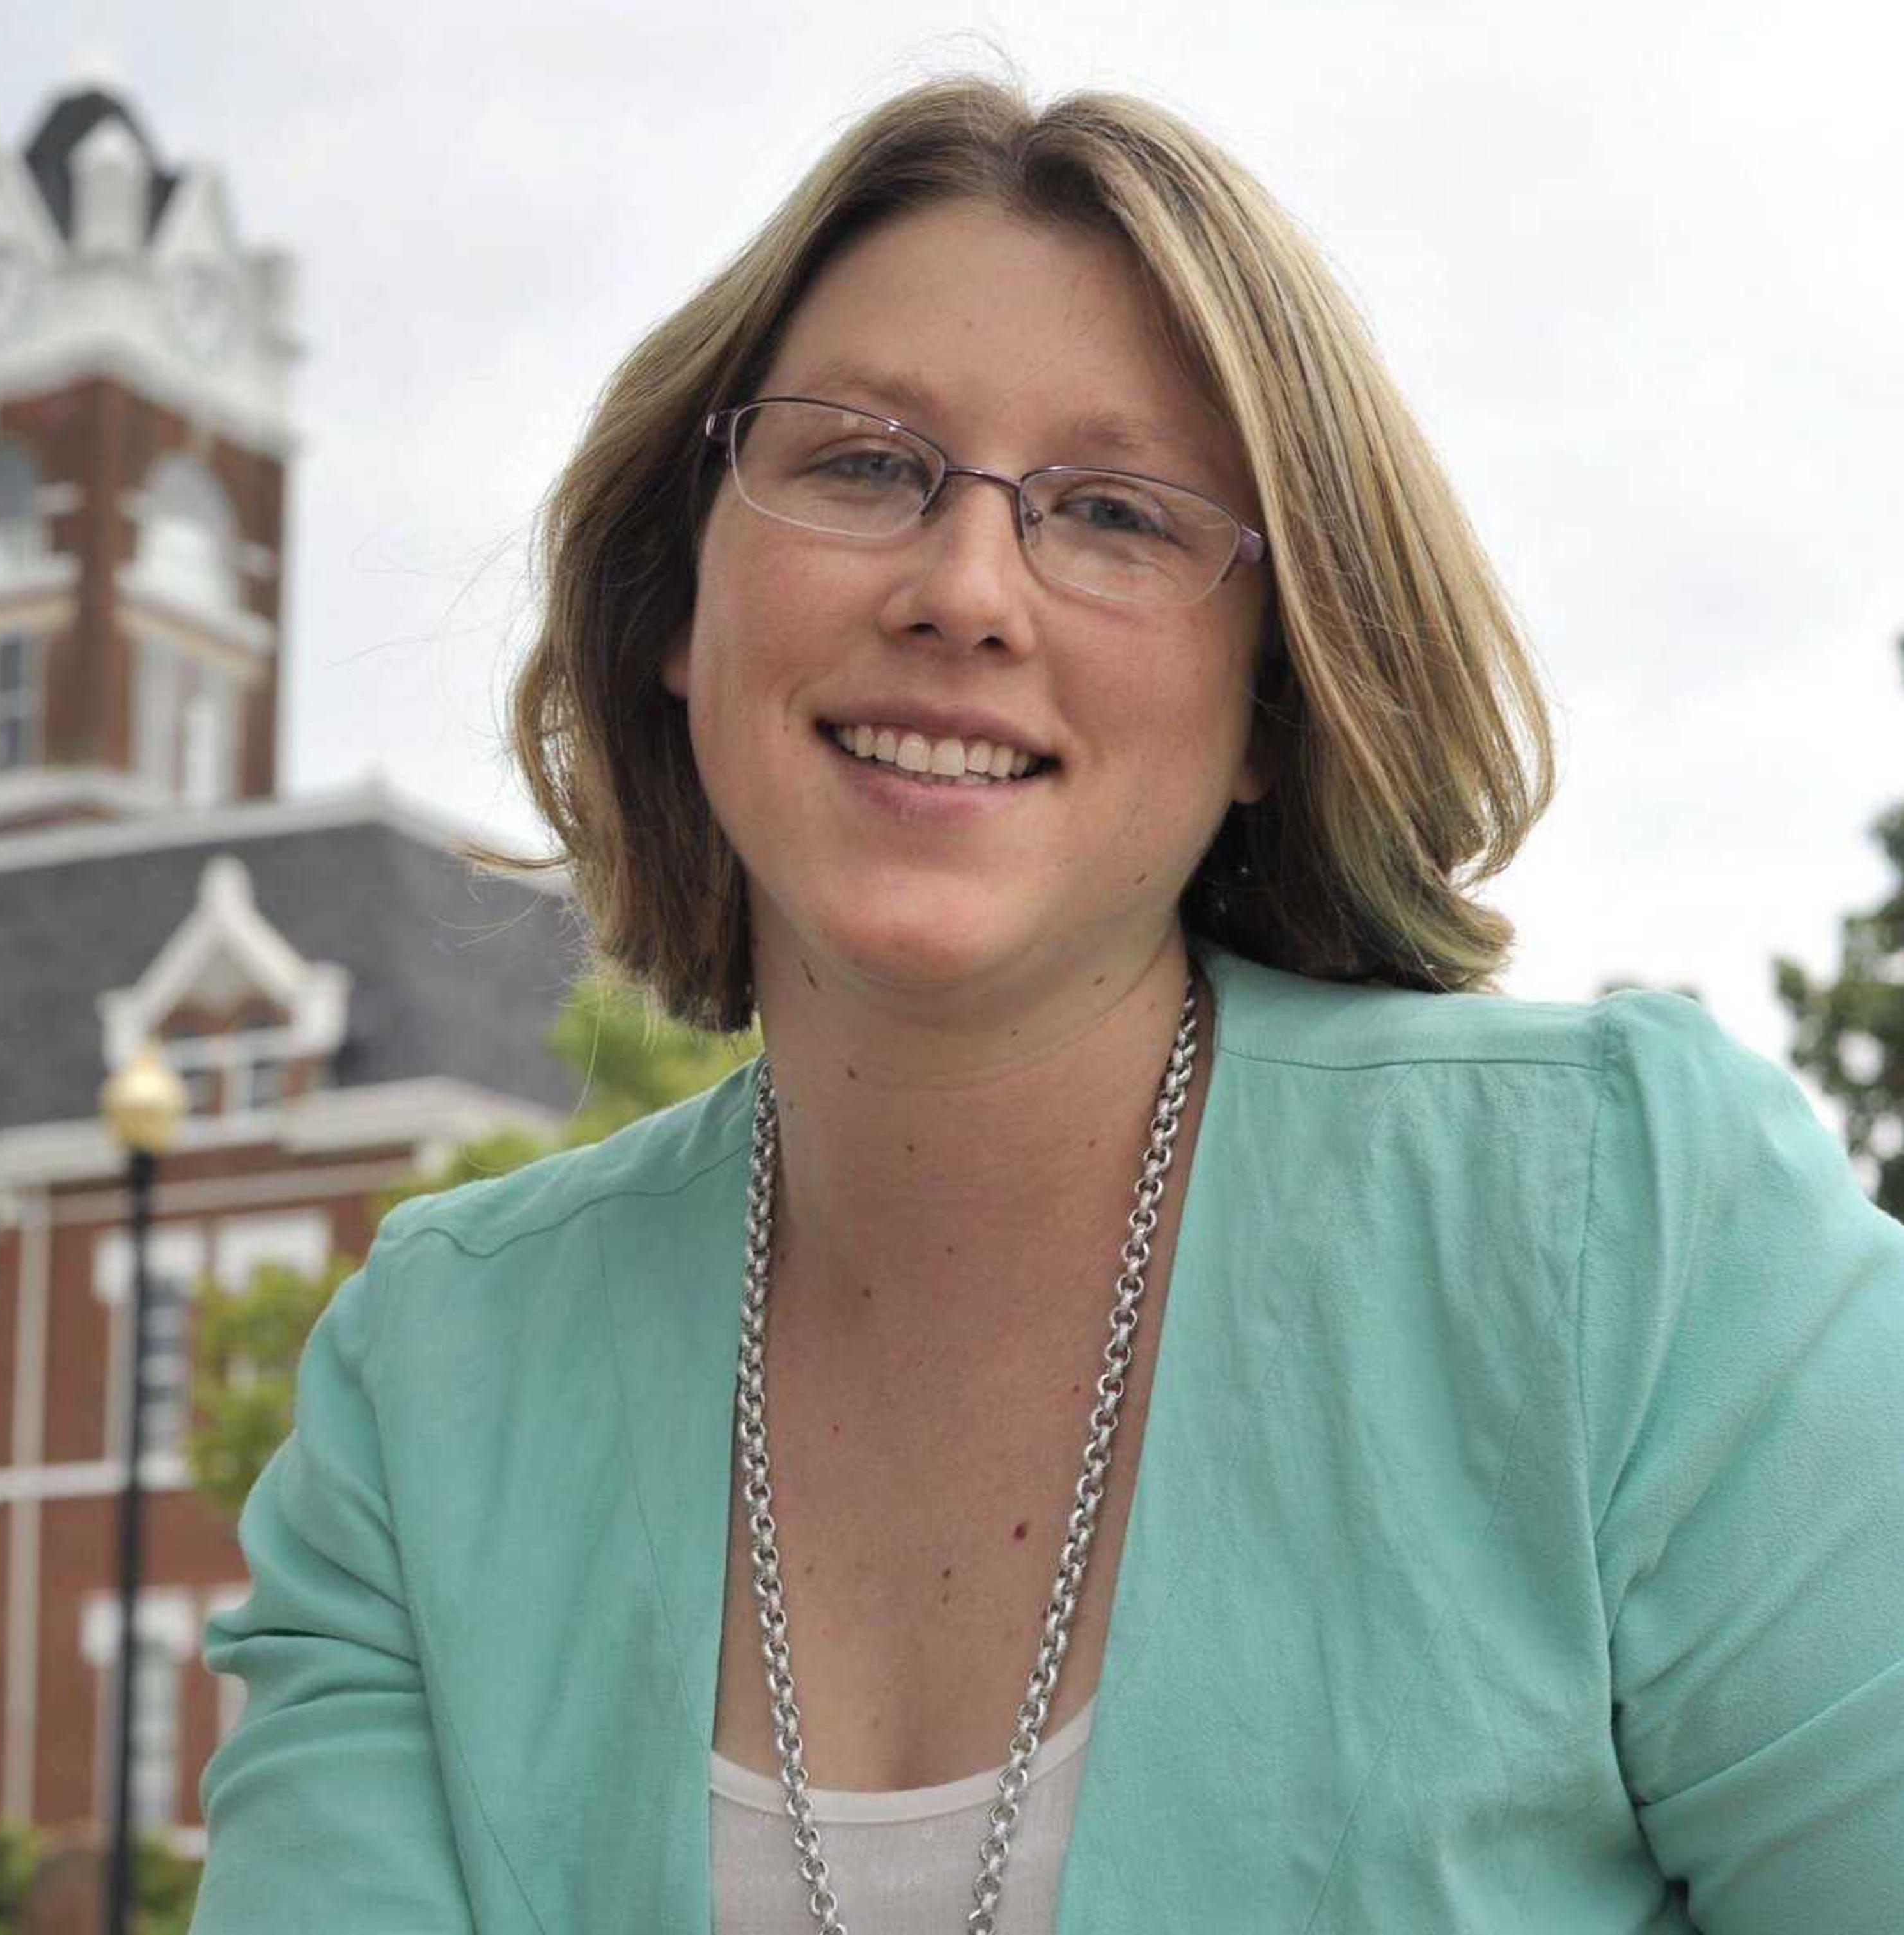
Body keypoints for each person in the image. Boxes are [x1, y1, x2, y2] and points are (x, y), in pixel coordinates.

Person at [189, 77, 1904, 1933]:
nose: (965, 588)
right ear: (679, 605)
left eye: (1115, 513)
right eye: (861, 463)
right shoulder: (432, 1380)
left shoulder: (1626, 1238)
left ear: (1270, 697)